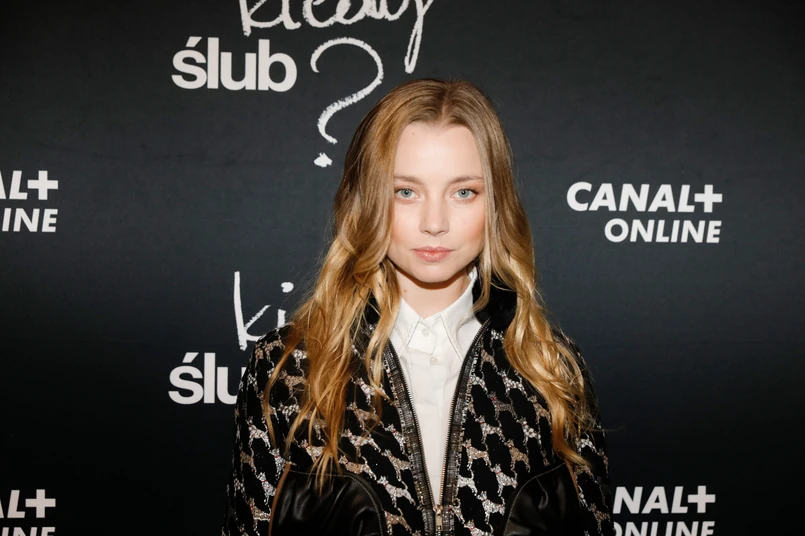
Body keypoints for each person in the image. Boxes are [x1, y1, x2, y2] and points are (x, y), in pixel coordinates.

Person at [221, 79, 614, 536]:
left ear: (496, 204)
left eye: (463, 192)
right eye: (405, 192)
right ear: (367, 200)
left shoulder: (551, 370)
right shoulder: (290, 368)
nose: (434, 223)